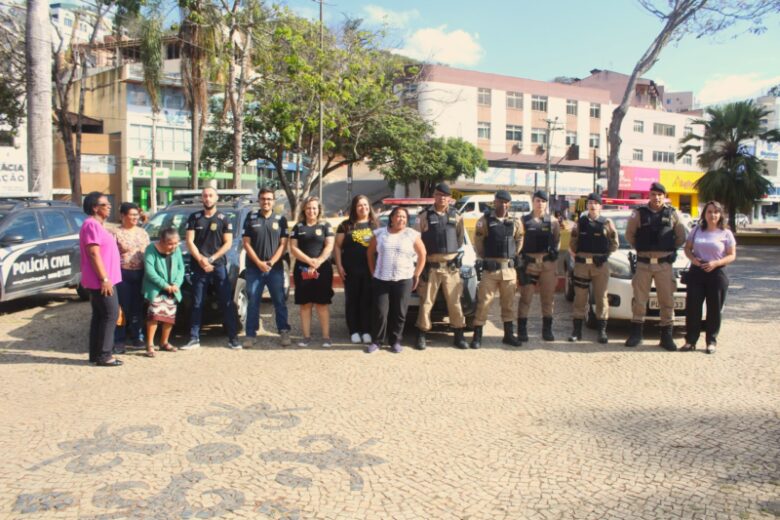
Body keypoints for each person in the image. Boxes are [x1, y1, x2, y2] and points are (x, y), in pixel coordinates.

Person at [624, 182, 687, 350]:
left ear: (664, 196)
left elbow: (681, 235)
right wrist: (641, 248)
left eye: (660, 194)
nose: (656, 197)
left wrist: (671, 249)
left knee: (667, 300)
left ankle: (666, 337)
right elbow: (629, 234)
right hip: (644, 264)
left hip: (664, 265)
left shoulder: (673, 214)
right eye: (653, 194)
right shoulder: (638, 213)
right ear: (649, 195)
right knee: (639, 300)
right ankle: (636, 334)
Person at [182, 187, 240, 350]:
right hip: (199, 266)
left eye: (210, 195)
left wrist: (211, 259)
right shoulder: (194, 217)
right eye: (205, 196)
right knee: (197, 302)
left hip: (218, 266)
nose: (207, 198)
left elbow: (228, 243)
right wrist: (201, 259)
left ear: (216, 198)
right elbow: (189, 241)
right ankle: (194, 338)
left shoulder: (224, 218)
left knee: (226, 302)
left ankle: (233, 338)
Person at [414, 183, 468, 350]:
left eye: (445, 195)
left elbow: (459, 239)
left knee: (455, 302)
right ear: (434, 196)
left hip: (451, 268)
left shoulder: (456, 215)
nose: (442, 198)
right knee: (426, 302)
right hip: (431, 267)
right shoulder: (424, 216)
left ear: (449, 198)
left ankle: (459, 334)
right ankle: (422, 334)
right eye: (438, 195)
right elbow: (417, 241)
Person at [366, 207, 426, 353]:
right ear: (392, 218)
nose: (401, 219)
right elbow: (370, 253)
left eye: (404, 217)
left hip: (404, 279)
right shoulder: (380, 233)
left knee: (399, 312)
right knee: (380, 311)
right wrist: (373, 272)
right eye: (398, 216)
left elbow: (422, 254)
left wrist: (416, 274)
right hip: (381, 279)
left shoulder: (412, 234)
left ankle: (396, 341)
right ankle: (377, 341)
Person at [681, 201, 736, 354]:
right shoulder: (696, 230)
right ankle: (690, 341)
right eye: (709, 212)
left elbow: (732, 255)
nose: (713, 215)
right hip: (697, 272)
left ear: (720, 214)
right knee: (693, 308)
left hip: (717, 273)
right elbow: (687, 248)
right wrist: (694, 260)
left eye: (716, 212)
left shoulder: (726, 233)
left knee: (714, 309)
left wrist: (716, 263)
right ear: (704, 214)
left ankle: (711, 341)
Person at [470, 190, 524, 349]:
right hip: (490, 270)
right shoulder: (485, 220)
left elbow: (520, 238)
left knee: (508, 304)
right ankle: (477, 336)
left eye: (506, 202)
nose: (503, 204)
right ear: (495, 202)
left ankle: (508, 335)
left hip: (508, 270)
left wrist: (515, 254)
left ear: (509, 204)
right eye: (500, 201)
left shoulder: (515, 221)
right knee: (484, 303)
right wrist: (485, 258)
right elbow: (478, 242)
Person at [241, 188, 292, 348]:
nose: (266, 202)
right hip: (254, 269)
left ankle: (283, 331)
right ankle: (250, 334)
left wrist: (270, 263)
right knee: (253, 301)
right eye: (263, 199)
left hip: (274, 269)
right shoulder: (251, 217)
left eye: (269, 199)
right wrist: (259, 263)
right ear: (259, 200)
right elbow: (246, 243)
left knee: (279, 301)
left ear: (274, 201)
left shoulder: (280, 219)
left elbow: (283, 245)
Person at [567, 193, 619, 343]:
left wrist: (605, 255)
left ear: (600, 206)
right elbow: (573, 242)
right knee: (580, 297)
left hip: (600, 265)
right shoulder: (580, 222)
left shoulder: (607, 223)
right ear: (587, 205)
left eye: (595, 203)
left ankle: (602, 331)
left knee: (601, 297)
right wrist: (576, 255)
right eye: (590, 203)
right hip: (582, 265)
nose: (592, 205)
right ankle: (577, 331)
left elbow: (614, 243)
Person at [79, 192, 122, 367]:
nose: (109, 207)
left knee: (100, 316)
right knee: (110, 315)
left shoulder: (98, 225)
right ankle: (105, 355)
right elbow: (93, 253)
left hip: (104, 279)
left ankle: (96, 354)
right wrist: (104, 278)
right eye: (105, 204)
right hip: (101, 281)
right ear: (95, 207)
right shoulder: (91, 225)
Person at [290, 196, 335, 347]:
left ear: (319, 210)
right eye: (309, 208)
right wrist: (310, 262)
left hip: (322, 270)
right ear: (304, 209)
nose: (311, 210)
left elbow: (329, 246)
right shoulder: (298, 227)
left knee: (322, 304)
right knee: (305, 304)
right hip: (303, 269)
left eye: (314, 208)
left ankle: (326, 337)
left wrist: (318, 261)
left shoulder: (325, 226)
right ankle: (306, 337)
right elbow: (293, 248)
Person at [334, 194, 379, 345]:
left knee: (367, 300)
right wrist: (339, 266)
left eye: (365, 205)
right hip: (351, 270)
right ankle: (353, 330)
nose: (363, 208)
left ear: (369, 207)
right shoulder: (345, 225)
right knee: (352, 300)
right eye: (359, 205)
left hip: (370, 270)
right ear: (354, 207)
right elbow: (337, 247)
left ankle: (366, 330)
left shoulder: (375, 225)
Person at [517, 190, 560, 342]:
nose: (540, 204)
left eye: (543, 201)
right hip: (529, 265)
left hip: (547, 265)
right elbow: (519, 241)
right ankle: (522, 330)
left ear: (546, 203)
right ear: (532, 201)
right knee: (526, 297)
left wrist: (554, 255)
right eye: (537, 200)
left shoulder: (553, 221)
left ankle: (547, 330)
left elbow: (556, 241)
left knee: (548, 298)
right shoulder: (523, 220)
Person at [110, 202, 150, 353]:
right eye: (131, 215)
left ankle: (137, 336)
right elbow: (110, 255)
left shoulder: (142, 232)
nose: (134, 217)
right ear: (122, 216)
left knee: (137, 307)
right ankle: (119, 339)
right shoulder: (115, 233)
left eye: (136, 215)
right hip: (122, 274)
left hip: (140, 274)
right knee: (122, 308)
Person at [142, 227, 185, 357]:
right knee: (154, 315)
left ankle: (164, 342)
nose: (173, 246)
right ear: (162, 241)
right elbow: (150, 271)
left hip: (173, 288)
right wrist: (165, 285)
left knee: (169, 316)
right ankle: (150, 344)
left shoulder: (176, 250)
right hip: (156, 288)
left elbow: (180, 268)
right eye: (170, 243)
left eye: (176, 243)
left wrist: (176, 284)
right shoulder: (151, 249)